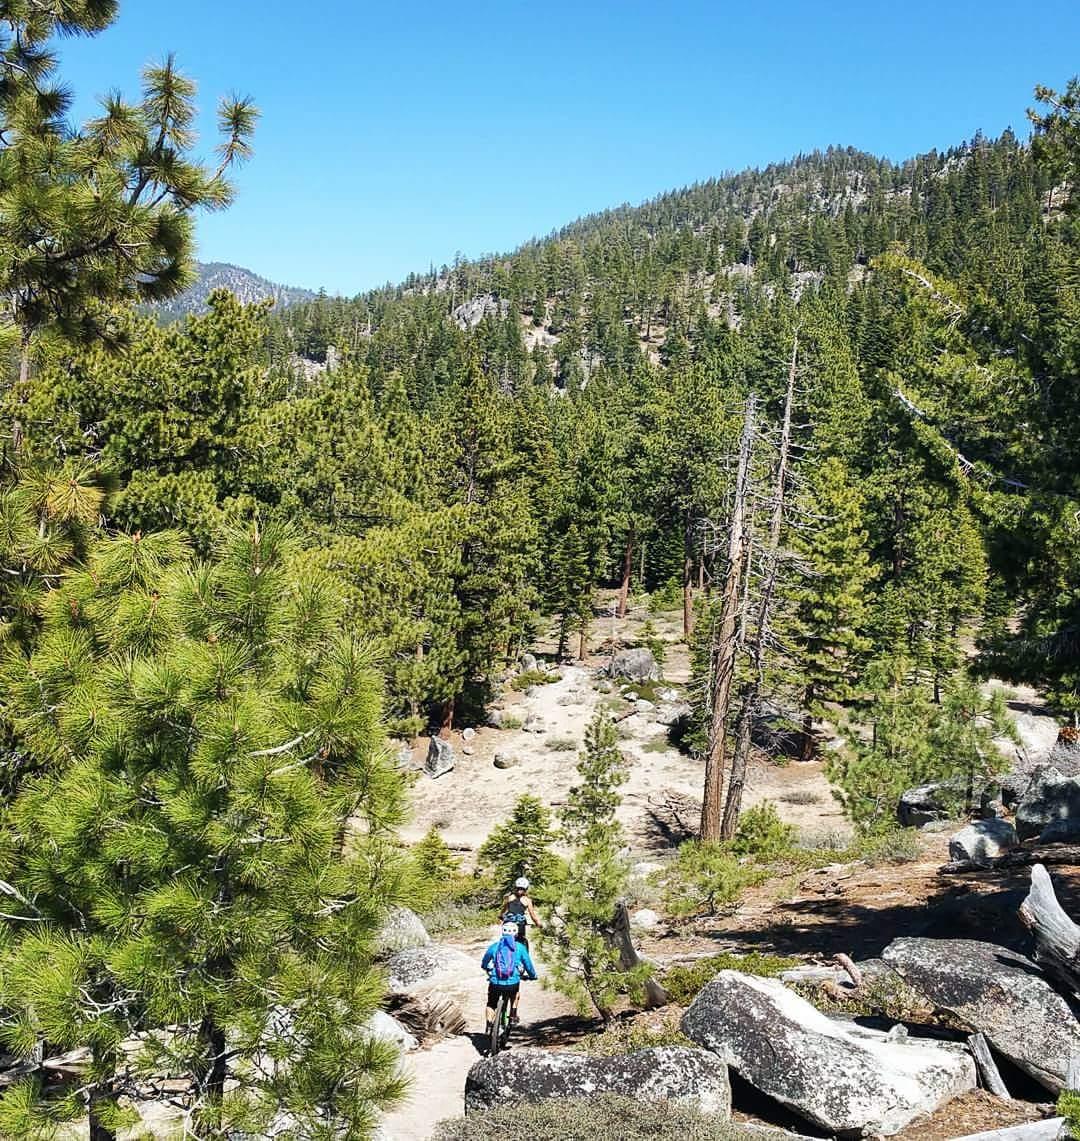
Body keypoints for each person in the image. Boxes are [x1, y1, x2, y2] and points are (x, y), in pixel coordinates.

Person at [481, 921, 537, 1039]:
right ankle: (513, 1014)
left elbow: (485, 962)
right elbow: (528, 964)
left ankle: (489, 1025)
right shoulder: (520, 947)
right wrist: (532, 976)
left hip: (495, 981)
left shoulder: (495, 946)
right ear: (516, 934)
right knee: (515, 994)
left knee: (491, 1003)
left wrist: (486, 968)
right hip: (512, 982)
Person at [500, 875, 543, 950]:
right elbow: (533, 916)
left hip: (508, 924)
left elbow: (504, 910)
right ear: (526, 889)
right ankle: (523, 958)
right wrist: (538, 924)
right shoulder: (527, 900)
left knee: (505, 941)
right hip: (520, 925)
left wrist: (500, 916)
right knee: (522, 942)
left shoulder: (509, 897)